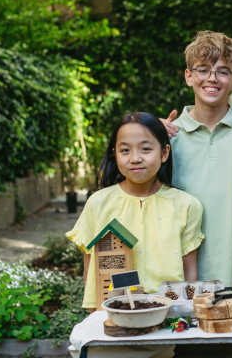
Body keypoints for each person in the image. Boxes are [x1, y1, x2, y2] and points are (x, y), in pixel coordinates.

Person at [66, 112, 204, 312]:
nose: (135, 158)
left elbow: (190, 270)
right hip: (113, 315)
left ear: (164, 153)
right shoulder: (98, 203)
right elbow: (91, 269)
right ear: (115, 153)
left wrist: (188, 313)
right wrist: (95, 314)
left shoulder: (187, 206)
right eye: (125, 150)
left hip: (169, 315)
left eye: (146, 149)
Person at [161, 31, 232, 288]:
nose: (212, 78)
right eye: (203, 70)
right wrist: (152, 137)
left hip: (231, 274)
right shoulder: (169, 134)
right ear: (188, 76)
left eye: (223, 71)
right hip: (176, 277)